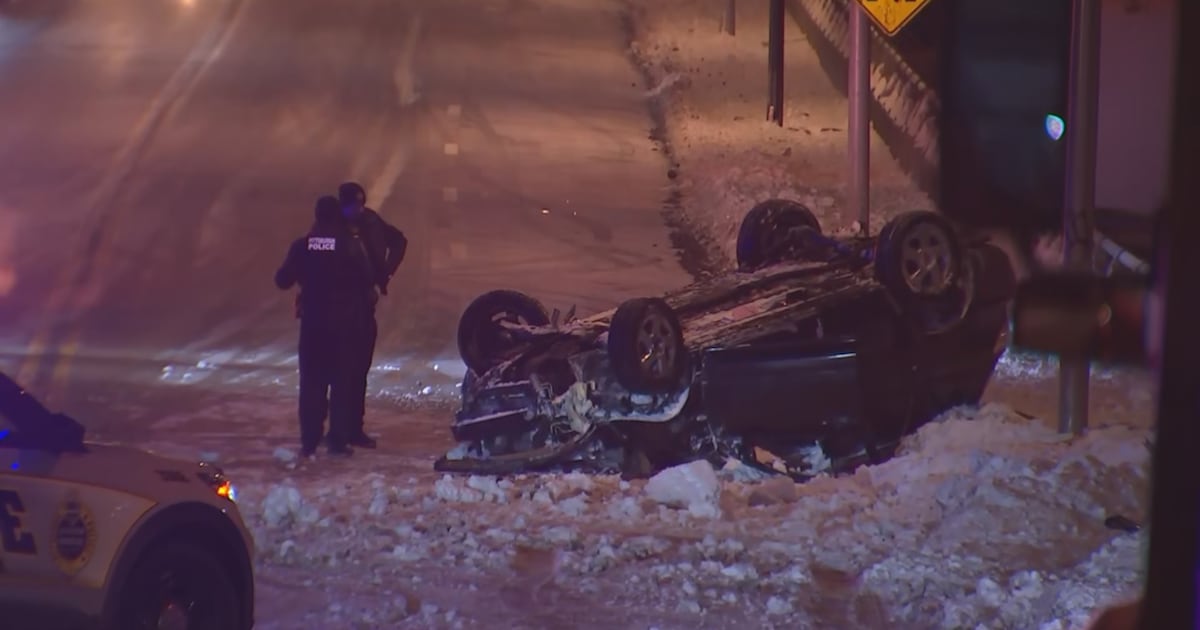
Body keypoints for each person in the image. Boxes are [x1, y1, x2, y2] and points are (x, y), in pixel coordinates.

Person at [275, 196, 377, 457]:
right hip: (344, 327)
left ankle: (309, 441)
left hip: (312, 326)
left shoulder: (303, 246)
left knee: (311, 384)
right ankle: (337, 441)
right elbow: (368, 277)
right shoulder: (349, 245)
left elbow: (282, 279)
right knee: (342, 384)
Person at [337, 181, 408, 449]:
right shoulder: (334, 229)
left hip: (363, 307)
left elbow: (399, 241)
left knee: (359, 370)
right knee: (342, 371)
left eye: (360, 204)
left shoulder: (371, 221)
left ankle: (353, 428)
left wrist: (384, 273)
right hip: (341, 310)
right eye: (352, 205)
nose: (357, 209)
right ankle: (339, 429)